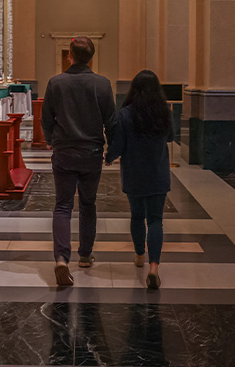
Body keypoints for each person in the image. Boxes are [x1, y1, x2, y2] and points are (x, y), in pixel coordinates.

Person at [41, 36, 116, 286]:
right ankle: (85, 255)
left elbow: (46, 118)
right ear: (91, 58)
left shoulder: (56, 83)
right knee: (88, 205)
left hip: (64, 152)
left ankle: (62, 258)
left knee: (62, 206)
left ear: (70, 56)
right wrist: (112, 150)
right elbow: (111, 122)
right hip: (91, 153)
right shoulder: (103, 84)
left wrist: (52, 139)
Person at [104, 69, 173, 290]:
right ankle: (154, 267)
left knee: (137, 215)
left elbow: (119, 143)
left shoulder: (125, 114)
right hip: (158, 171)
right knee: (155, 219)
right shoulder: (165, 111)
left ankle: (139, 255)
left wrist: (109, 157)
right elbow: (171, 137)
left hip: (134, 173)